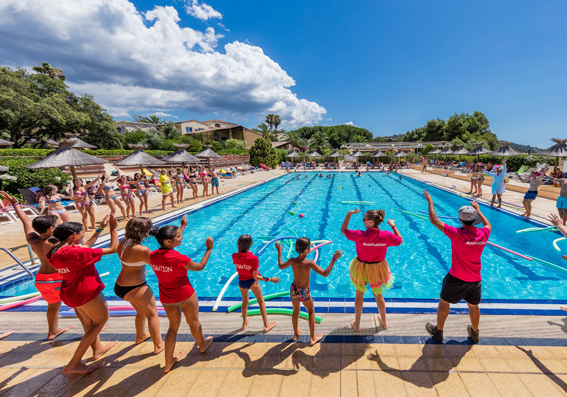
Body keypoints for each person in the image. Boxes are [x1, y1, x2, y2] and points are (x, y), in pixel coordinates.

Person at [47, 215, 120, 374]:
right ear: (74, 236)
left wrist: (100, 229)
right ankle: (74, 363)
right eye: (83, 232)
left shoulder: (55, 251)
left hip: (70, 292)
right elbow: (114, 249)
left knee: (89, 323)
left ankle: (97, 349)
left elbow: (84, 247)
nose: (85, 235)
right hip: (85, 292)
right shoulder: (75, 253)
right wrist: (113, 228)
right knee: (100, 320)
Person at [1, 192, 75, 340]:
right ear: (51, 229)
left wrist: (16, 205)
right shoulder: (56, 241)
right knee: (78, 303)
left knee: (53, 305)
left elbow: (26, 221)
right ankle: (93, 326)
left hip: (41, 280)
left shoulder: (33, 240)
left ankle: (53, 331)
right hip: (57, 278)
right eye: (56, 224)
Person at [422, 190, 491, 343]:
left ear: (460, 220)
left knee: (444, 301)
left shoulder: (457, 233)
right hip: (475, 279)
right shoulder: (483, 233)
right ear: (474, 220)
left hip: (456, 278)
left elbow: (434, 220)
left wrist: (430, 202)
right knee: (473, 306)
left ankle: (438, 331)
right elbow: (488, 224)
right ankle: (475, 333)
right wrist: (478, 210)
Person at [149, 215, 214, 373]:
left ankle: (168, 362)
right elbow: (199, 267)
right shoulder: (179, 258)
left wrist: (182, 226)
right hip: (185, 295)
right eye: (179, 236)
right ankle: (202, 346)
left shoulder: (152, 256)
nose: (182, 237)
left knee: (173, 327)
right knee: (193, 322)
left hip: (167, 297)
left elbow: (168, 249)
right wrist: (209, 249)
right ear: (169, 241)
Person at [341, 208, 402, 331]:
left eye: (364, 219)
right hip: (378, 268)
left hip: (361, 268)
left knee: (359, 295)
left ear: (370, 221)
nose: (363, 221)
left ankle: (357, 325)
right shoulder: (386, 235)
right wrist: (393, 226)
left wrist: (348, 214)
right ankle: (384, 323)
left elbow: (343, 230)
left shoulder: (360, 235)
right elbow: (399, 240)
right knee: (378, 295)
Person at [275, 238, 342, 345]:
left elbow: (280, 266)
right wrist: (334, 259)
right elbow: (325, 273)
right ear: (307, 250)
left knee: (295, 311)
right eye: (309, 247)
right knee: (311, 311)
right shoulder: (309, 263)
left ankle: (295, 334)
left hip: (293, 289)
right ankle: (312, 338)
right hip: (304, 292)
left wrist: (279, 252)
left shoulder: (292, 260)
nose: (310, 248)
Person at [115, 217, 165, 354]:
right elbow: (159, 265)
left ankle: (141, 335)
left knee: (141, 312)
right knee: (152, 315)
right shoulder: (142, 249)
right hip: (136, 287)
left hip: (120, 286)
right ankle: (159, 345)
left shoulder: (124, 242)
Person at [232, 234, 280, 332]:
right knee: (261, 302)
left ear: (238, 244)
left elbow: (240, 256)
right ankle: (266, 325)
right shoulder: (253, 258)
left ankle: (244, 323)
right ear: (251, 244)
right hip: (252, 282)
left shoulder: (234, 256)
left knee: (245, 302)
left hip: (241, 283)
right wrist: (270, 279)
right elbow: (255, 276)